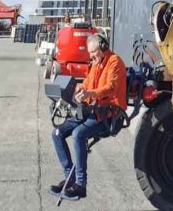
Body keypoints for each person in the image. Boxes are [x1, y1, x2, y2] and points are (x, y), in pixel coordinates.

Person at [50, 32, 127, 201]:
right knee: (56, 134)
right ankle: (70, 179)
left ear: (104, 48)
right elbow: (86, 84)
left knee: (78, 134)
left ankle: (80, 184)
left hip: (108, 114)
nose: (91, 56)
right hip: (92, 110)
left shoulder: (115, 62)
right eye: (90, 53)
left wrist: (89, 93)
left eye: (94, 52)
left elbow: (111, 88)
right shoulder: (95, 64)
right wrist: (76, 91)